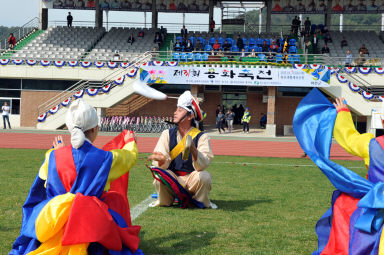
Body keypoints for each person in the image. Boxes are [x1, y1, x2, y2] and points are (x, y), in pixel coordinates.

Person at [10, 99, 143, 254]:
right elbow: (129, 157)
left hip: (53, 223)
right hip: (90, 227)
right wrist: (130, 142)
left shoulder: (52, 156)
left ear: (69, 128)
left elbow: (43, 182)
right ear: (95, 129)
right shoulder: (106, 159)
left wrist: (56, 152)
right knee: (115, 204)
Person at [148, 91, 215, 208]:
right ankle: (165, 200)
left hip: (191, 180)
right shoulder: (167, 134)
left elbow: (202, 165)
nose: (175, 113)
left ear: (190, 116)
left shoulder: (201, 136)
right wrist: (161, 159)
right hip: (172, 179)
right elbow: (161, 161)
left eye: (180, 110)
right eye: (176, 109)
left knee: (204, 176)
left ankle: (198, 201)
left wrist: (194, 150)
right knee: (161, 174)